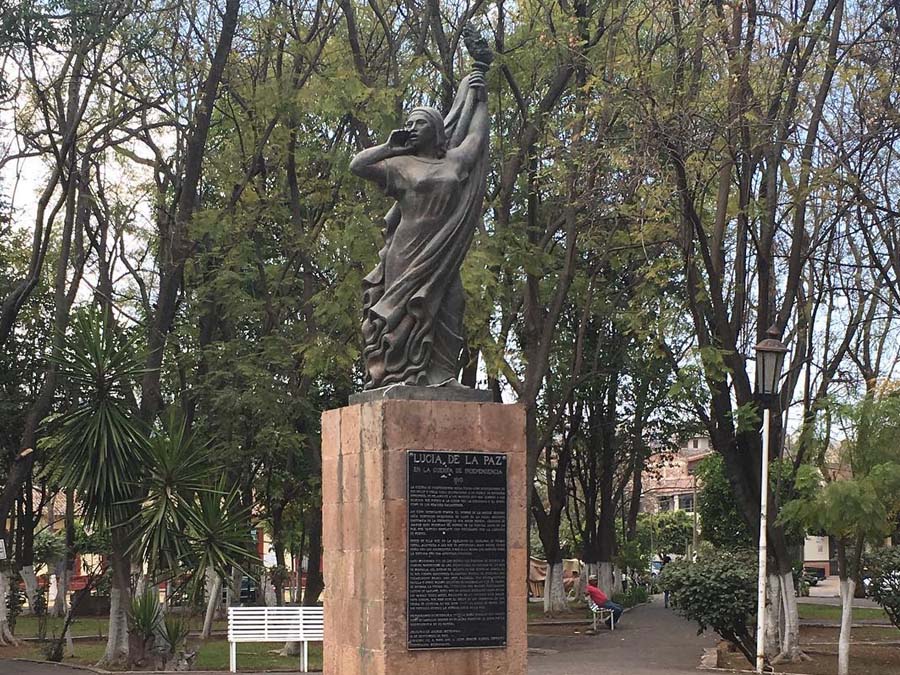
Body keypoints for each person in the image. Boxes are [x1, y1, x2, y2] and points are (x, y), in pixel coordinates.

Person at [349, 27, 492, 390]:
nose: (412, 127)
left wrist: (480, 94)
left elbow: (476, 138)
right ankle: (396, 375)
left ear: (435, 130)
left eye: (419, 123)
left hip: (441, 249)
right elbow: (357, 166)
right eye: (409, 123)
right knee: (404, 318)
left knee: (452, 304)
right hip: (406, 252)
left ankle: (442, 376)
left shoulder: (454, 163)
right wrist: (388, 147)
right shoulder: (400, 167)